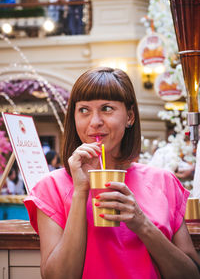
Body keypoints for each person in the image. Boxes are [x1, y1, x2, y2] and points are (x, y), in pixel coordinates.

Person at [24, 67, 200, 279]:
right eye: (84, 110)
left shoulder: (164, 181)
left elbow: (190, 274)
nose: (94, 121)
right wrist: (81, 191)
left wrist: (142, 224)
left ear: (130, 117)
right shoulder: (50, 187)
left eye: (106, 108)